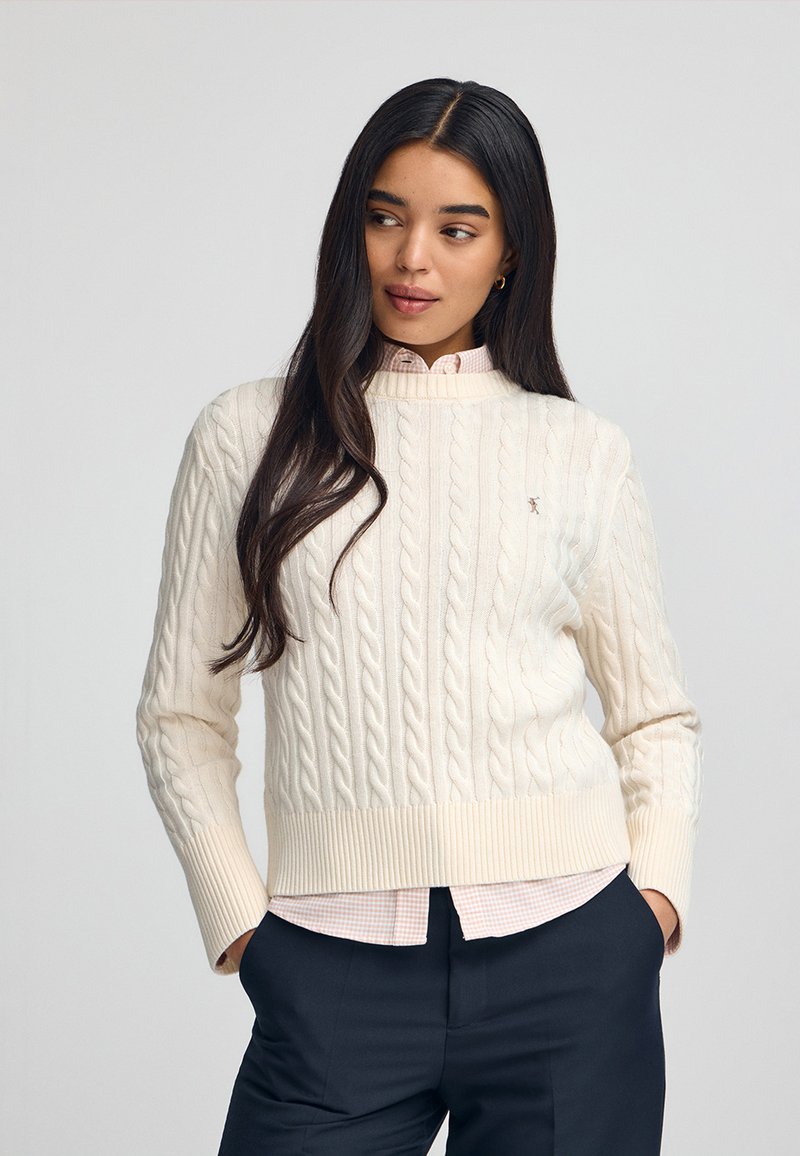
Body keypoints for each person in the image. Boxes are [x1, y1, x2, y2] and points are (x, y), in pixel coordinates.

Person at [135, 77, 703, 1156]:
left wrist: (653, 904)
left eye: (457, 228)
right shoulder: (246, 436)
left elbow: (653, 716)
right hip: (328, 973)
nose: (412, 260)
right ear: (349, 227)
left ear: (510, 252)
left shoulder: (579, 450)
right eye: (385, 216)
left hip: (572, 963)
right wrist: (243, 925)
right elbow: (180, 715)